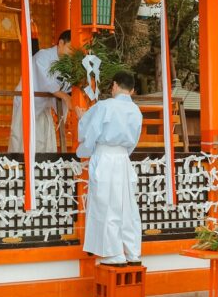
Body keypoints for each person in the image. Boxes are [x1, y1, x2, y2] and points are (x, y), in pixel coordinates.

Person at [75, 71, 144, 266]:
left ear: (114, 86)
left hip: (105, 157)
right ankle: (132, 253)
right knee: (127, 206)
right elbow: (133, 141)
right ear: (131, 90)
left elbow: (90, 133)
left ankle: (114, 254)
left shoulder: (104, 106)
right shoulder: (136, 111)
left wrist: (82, 119)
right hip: (123, 158)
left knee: (106, 204)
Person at [9, 29, 73, 153]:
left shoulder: (66, 64)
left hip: (43, 105)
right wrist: (65, 97)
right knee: (22, 135)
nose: (71, 54)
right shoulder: (43, 56)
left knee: (43, 138)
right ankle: (19, 165)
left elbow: (67, 86)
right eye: (70, 48)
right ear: (61, 43)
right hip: (27, 101)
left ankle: (42, 167)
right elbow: (48, 83)